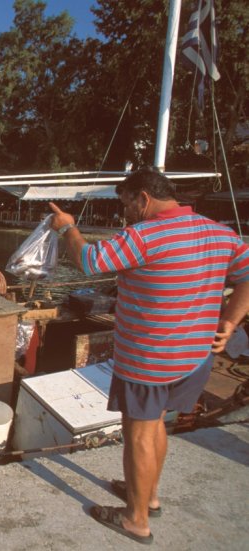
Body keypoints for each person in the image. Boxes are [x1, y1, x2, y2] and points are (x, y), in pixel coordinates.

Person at [49, 167, 249, 544]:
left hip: (150, 358)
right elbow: (247, 274)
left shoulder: (144, 234)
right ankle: (149, 495)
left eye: (126, 204)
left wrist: (66, 227)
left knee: (138, 432)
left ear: (142, 197)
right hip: (194, 359)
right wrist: (231, 321)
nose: (124, 213)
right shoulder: (221, 233)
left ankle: (136, 520)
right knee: (158, 423)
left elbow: (89, 261)